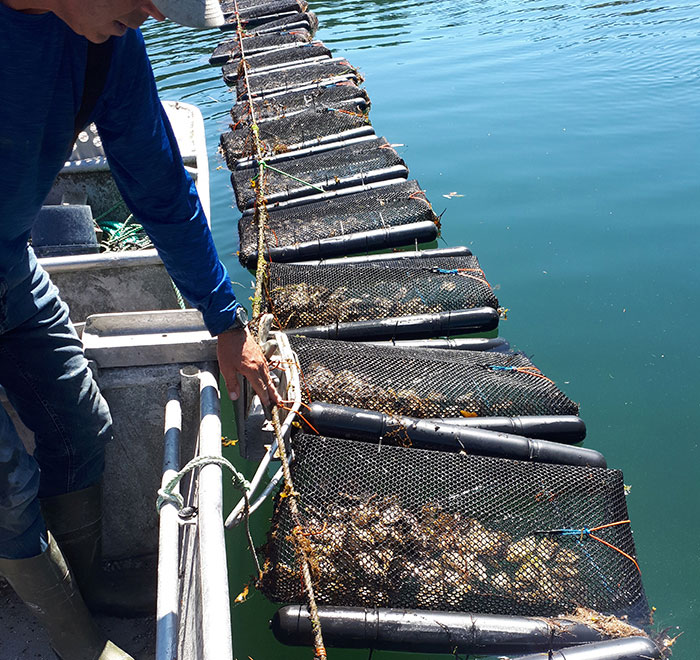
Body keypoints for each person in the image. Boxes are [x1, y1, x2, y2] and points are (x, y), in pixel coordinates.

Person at [0, 1, 281, 658]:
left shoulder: (107, 42)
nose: (148, 16)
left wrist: (226, 321)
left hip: (9, 263)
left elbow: (159, 184)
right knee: (9, 487)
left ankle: (91, 583)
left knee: (83, 424)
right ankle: (78, 640)